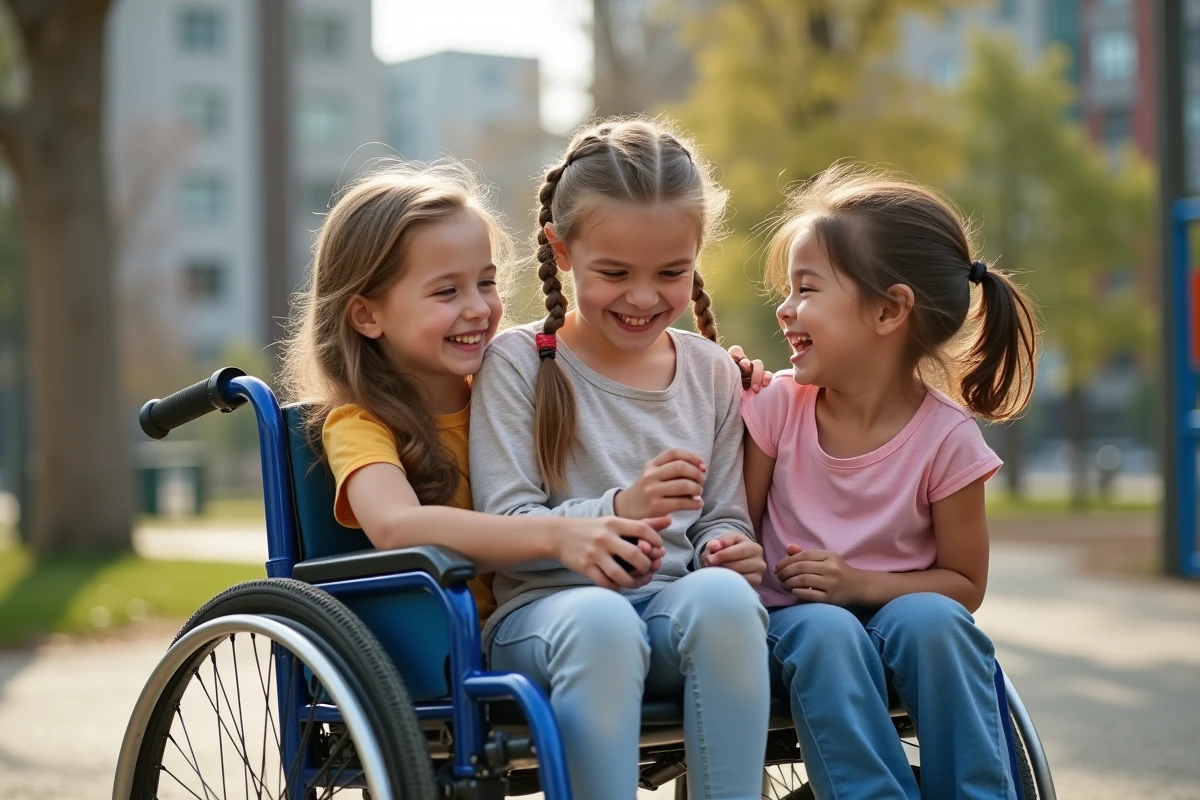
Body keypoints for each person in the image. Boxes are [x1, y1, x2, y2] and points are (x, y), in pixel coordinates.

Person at [469, 118, 771, 800]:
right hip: (549, 619)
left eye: (671, 272)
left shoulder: (710, 372)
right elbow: (507, 525)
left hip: (670, 615)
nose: (643, 297)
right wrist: (617, 512)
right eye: (615, 272)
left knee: (725, 599)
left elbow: (722, 515)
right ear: (563, 250)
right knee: (601, 620)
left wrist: (729, 545)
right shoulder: (518, 364)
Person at [742, 164, 1038, 800]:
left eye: (807, 289)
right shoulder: (774, 408)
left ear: (889, 310)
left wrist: (858, 584)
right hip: (791, 630)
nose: (785, 307)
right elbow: (732, 524)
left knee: (935, 622)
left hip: (901, 622)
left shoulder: (949, 440)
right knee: (826, 630)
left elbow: (965, 584)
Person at [277, 161, 671, 629]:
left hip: (571, 616)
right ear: (366, 315)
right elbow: (396, 526)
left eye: (487, 282)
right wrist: (559, 536)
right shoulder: (361, 424)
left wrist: (731, 378)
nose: (479, 308)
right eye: (447, 291)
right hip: (466, 643)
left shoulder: (515, 385)